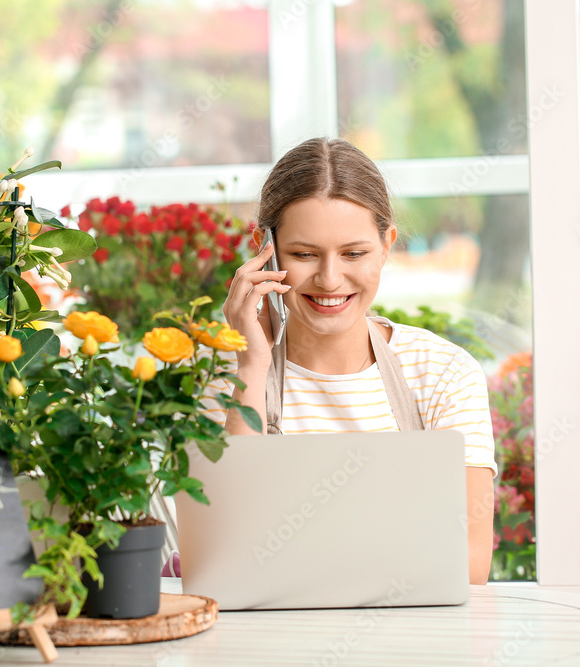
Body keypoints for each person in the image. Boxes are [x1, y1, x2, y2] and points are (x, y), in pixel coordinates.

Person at [202, 137, 497, 584]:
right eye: (304, 254)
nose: (330, 279)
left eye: (354, 253)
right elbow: (222, 557)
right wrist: (250, 368)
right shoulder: (226, 376)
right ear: (266, 248)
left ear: (387, 245)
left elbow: (470, 565)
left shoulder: (444, 375)